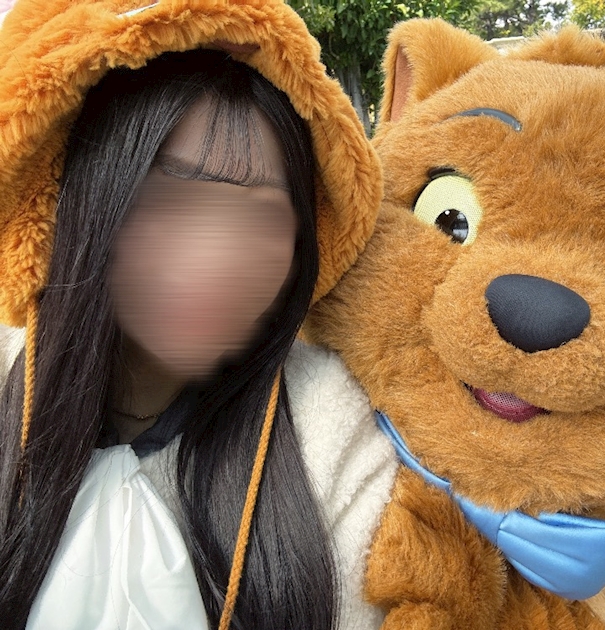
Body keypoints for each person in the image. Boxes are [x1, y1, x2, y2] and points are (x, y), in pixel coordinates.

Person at [0, 2, 395, 629]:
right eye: (168, 199)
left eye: (261, 215)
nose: (214, 257)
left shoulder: (337, 435)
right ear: (86, 199)